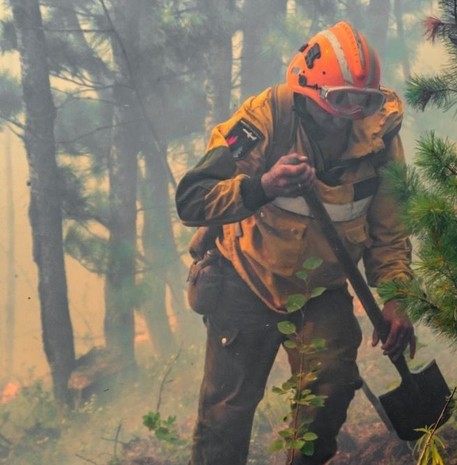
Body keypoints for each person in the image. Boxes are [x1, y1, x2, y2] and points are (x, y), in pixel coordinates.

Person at [175, 21, 416, 465]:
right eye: (337, 100)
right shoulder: (263, 120)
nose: (348, 114)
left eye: (361, 101)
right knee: (225, 414)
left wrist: (397, 297)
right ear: (307, 93)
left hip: (319, 287)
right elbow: (192, 198)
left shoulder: (380, 137)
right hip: (244, 276)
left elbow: (390, 228)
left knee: (333, 382)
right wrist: (261, 186)